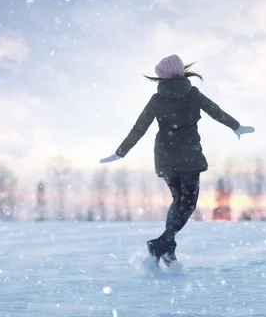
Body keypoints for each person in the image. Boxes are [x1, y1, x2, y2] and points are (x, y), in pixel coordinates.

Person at [99, 54, 255, 267]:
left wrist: (121, 152)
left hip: (165, 156)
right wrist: (236, 126)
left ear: (162, 77)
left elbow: (139, 128)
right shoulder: (193, 94)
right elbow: (216, 112)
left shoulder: (157, 100)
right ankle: (161, 244)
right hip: (189, 156)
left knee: (178, 201)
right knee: (187, 204)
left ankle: (168, 251)